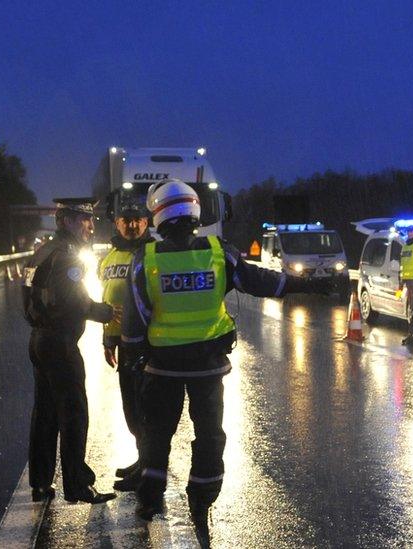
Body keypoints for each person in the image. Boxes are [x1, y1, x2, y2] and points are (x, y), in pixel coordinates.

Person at [121, 179, 333, 523]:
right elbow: (262, 282)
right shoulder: (219, 252)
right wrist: (309, 285)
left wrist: (133, 358)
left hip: (163, 368)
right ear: (194, 210)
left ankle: (149, 498)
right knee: (209, 434)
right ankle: (202, 498)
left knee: (156, 435)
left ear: (158, 215)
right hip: (207, 366)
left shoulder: (145, 259)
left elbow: (134, 320)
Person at [21, 197, 117, 504]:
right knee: (74, 414)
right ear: (66, 221)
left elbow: (31, 298)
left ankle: (40, 483)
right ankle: (77, 485)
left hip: (39, 340)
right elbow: (71, 299)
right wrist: (101, 311)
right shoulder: (67, 255)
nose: (90, 226)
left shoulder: (43, 251)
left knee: (45, 414)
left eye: (90, 219)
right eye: (83, 220)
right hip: (60, 344)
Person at [99, 197, 154, 492]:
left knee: (144, 409)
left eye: (138, 221)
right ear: (117, 224)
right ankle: (141, 458)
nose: (132, 225)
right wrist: (108, 338)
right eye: (126, 221)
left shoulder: (151, 253)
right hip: (121, 341)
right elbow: (109, 297)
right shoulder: (108, 258)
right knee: (130, 408)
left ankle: (148, 469)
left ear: (147, 223)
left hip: (146, 343)